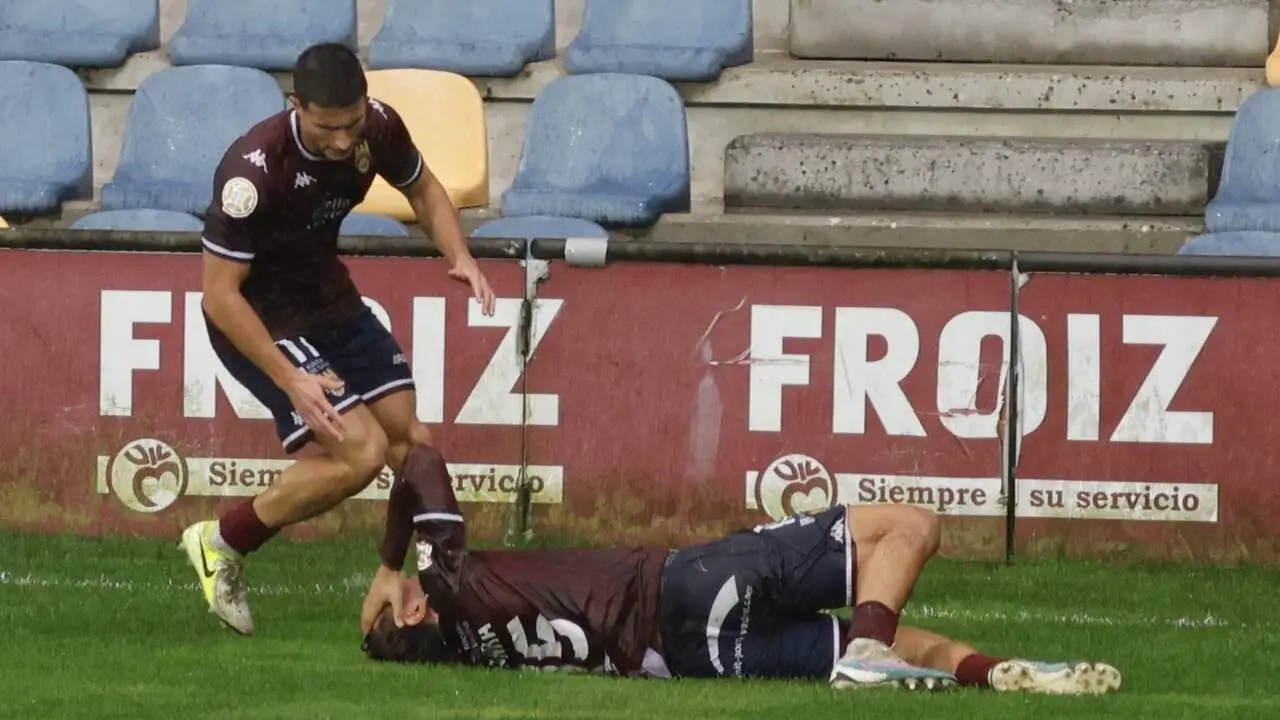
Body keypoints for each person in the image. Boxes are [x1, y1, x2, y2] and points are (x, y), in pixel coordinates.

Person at [357, 446, 1122, 694]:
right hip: (685, 585)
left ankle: (996, 675)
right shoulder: (447, 583)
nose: (413, 589)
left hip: (694, 659)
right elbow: (419, 461)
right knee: (911, 527)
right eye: (407, 598)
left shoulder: (466, 652)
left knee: (909, 643)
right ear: (416, 612)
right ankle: (866, 654)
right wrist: (390, 566)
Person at [178, 42, 497, 637]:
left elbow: (424, 188)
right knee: (363, 451)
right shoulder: (253, 171)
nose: (345, 140)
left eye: (352, 123)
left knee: (412, 443)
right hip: (260, 317)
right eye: (329, 128)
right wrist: (291, 379)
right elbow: (220, 296)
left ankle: (409, 578)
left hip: (329, 300)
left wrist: (460, 255)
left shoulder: (378, 125)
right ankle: (221, 541)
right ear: (295, 106)